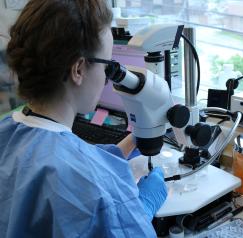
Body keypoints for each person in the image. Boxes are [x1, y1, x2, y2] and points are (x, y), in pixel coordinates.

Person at [0, 0, 167, 237]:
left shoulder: (7, 131)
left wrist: (106, 160)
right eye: (108, 66)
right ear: (78, 69)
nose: (108, 78)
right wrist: (141, 209)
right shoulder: (91, 187)